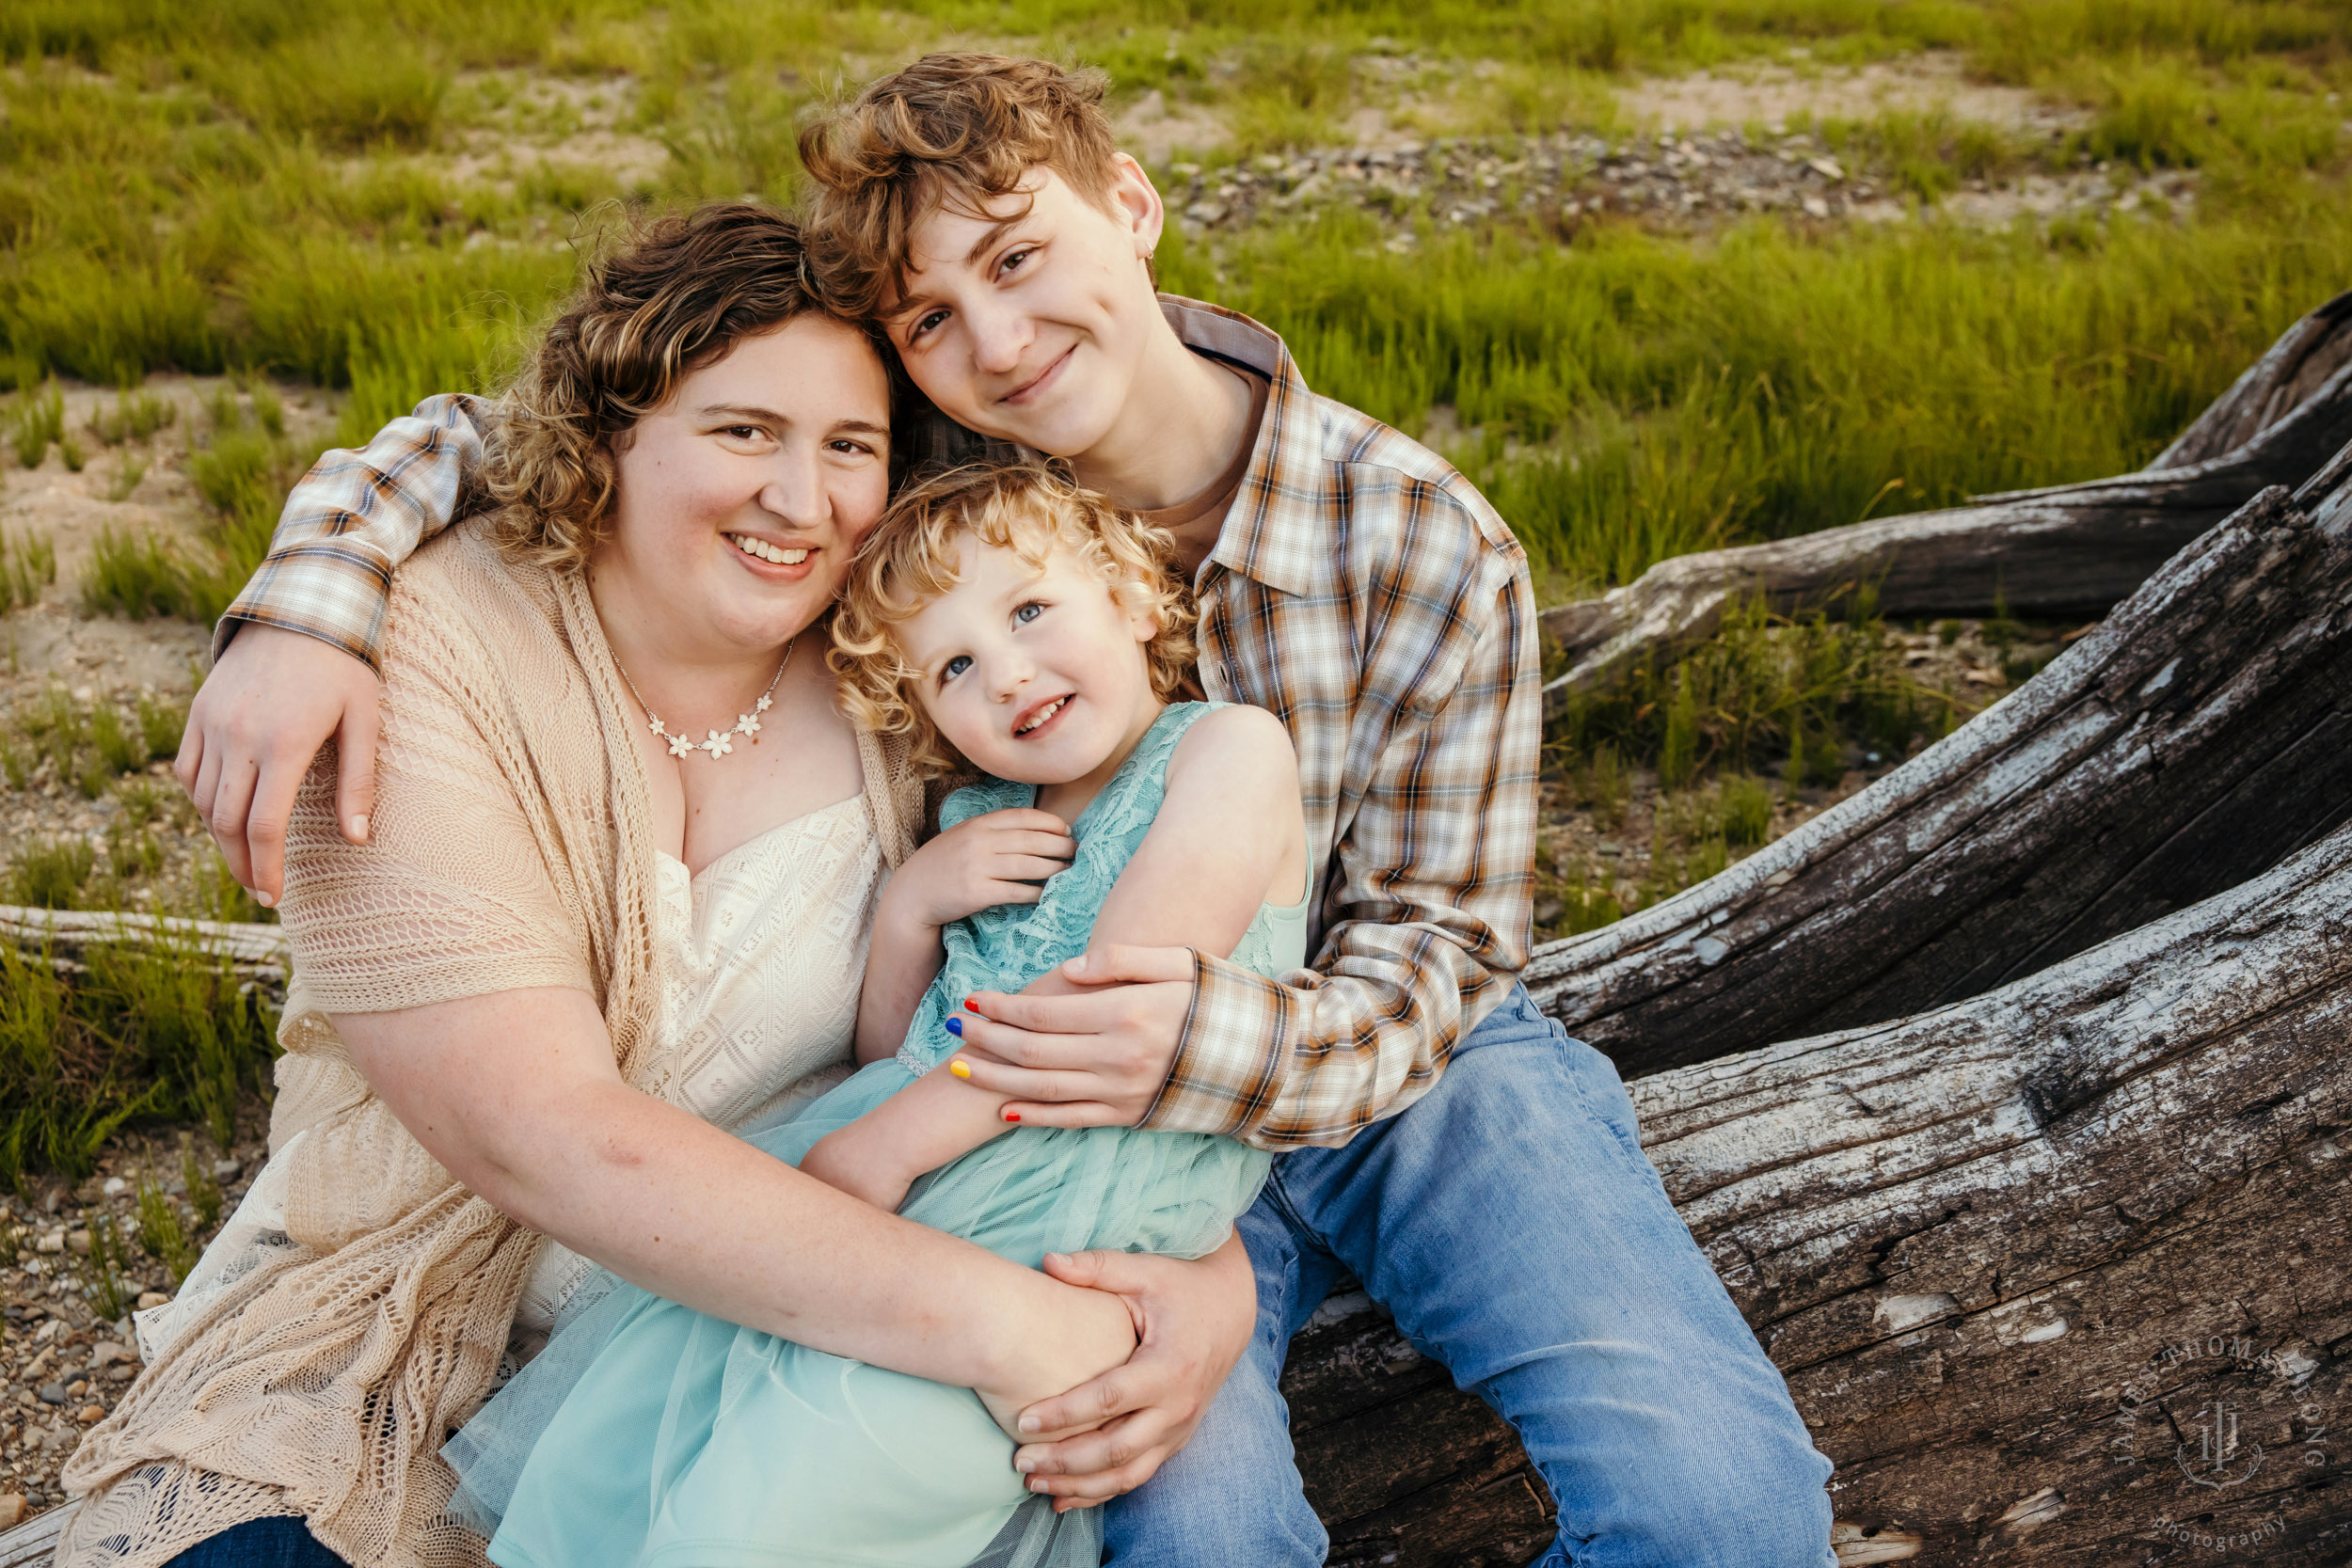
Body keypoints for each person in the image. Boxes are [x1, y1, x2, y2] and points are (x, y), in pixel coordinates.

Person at [177, 55, 1836, 1566]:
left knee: (1715, 1506)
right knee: (1192, 1536)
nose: (997, 341)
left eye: (1023, 258)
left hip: (1369, 1057)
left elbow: (1440, 946)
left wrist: (1188, 1050)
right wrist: (309, 602)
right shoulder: (929, 443)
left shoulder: (1416, 534)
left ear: (1132, 208)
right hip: (1049, 1100)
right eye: (932, 318)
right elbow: (520, 433)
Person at [63, 205, 1257, 1568]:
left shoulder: (914, 672)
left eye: (849, 447)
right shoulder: (428, 645)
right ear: (610, 432)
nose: (802, 502)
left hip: (798, 1336)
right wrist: (1013, 1325)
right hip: (387, 1353)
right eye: (744, 431)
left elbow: (1077, 976)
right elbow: (542, 1130)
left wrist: (1204, 1277)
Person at [441, 464, 1309, 1568]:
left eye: (1030, 610)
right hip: (912, 1174)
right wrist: (911, 909)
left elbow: (1109, 1001)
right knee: (645, 1458)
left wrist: (884, 1147)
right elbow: (894, 1051)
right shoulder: (984, 816)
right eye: (955, 666)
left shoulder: (1226, 751)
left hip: (1060, 1203)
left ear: (1134, 597)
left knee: (782, 1512)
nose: (1009, 674)